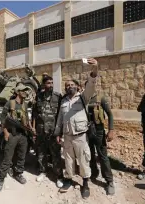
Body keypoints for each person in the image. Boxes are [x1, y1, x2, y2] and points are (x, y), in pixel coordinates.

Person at [54, 58, 98, 199]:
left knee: (83, 159)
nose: (68, 87)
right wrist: (57, 133)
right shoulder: (64, 101)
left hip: (80, 136)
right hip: (67, 136)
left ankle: (85, 183)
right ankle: (69, 179)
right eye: (66, 85)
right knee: (68, 159)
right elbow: (60, 118)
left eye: (71, 85)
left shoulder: (83, 97)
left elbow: (91, 85)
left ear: (78, 87)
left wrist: (95, 68)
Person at [0, 83, 33, 192]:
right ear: (17, 92)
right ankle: (0, 179)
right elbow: (2, 119)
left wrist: (31, 128)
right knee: (8, 157)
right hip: (12, 134)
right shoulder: (10, 103)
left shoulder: (24, 104)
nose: (25, 92)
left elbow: (27, 118)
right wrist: (6, 132)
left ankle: (18, 173)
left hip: (23, 135)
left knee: (21, 156)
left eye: (26, 91)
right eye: (23, 90)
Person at [31, 76, 64, 188]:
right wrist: (34, 129)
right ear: (44, 84)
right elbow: (35, 114)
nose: (51, 85)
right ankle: (43, 171)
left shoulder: (57, 96)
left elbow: (61, 115)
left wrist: (60, 132)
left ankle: (59, 176)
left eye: (52, 83)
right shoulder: (39, 96)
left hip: (53, 132)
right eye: (48, 83)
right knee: (41, 153)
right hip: (41, 132)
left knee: (56, 155)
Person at [85, 80, 115, 195]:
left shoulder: (101, 98)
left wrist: (111, 130)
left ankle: (109, 181)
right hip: (86, 131)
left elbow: (110, 114)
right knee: (89, 153)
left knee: (102, 156)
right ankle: (94, 171)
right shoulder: (82, 98)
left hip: (98, 131)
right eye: (88, 86)